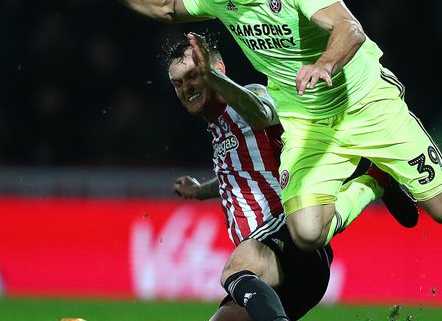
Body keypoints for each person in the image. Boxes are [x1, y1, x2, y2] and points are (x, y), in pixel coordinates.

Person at [67, 0, 442, 254]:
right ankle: (373, 180)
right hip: (307, 119)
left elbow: (349, 28)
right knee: (305, 234)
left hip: (366, 102)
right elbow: (168, 6)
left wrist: (325, 64)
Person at [165, 33, 416, 321]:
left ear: (217, 70)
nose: (187, 88)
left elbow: (263, 110)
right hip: (270, 273)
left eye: (194, 76)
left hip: (285, 236)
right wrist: (201, 191)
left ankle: (376, 180)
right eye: (178, 83)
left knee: (234, 271)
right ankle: (377, 180)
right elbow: (238, 177)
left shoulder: (250, 97)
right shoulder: (218, 127)